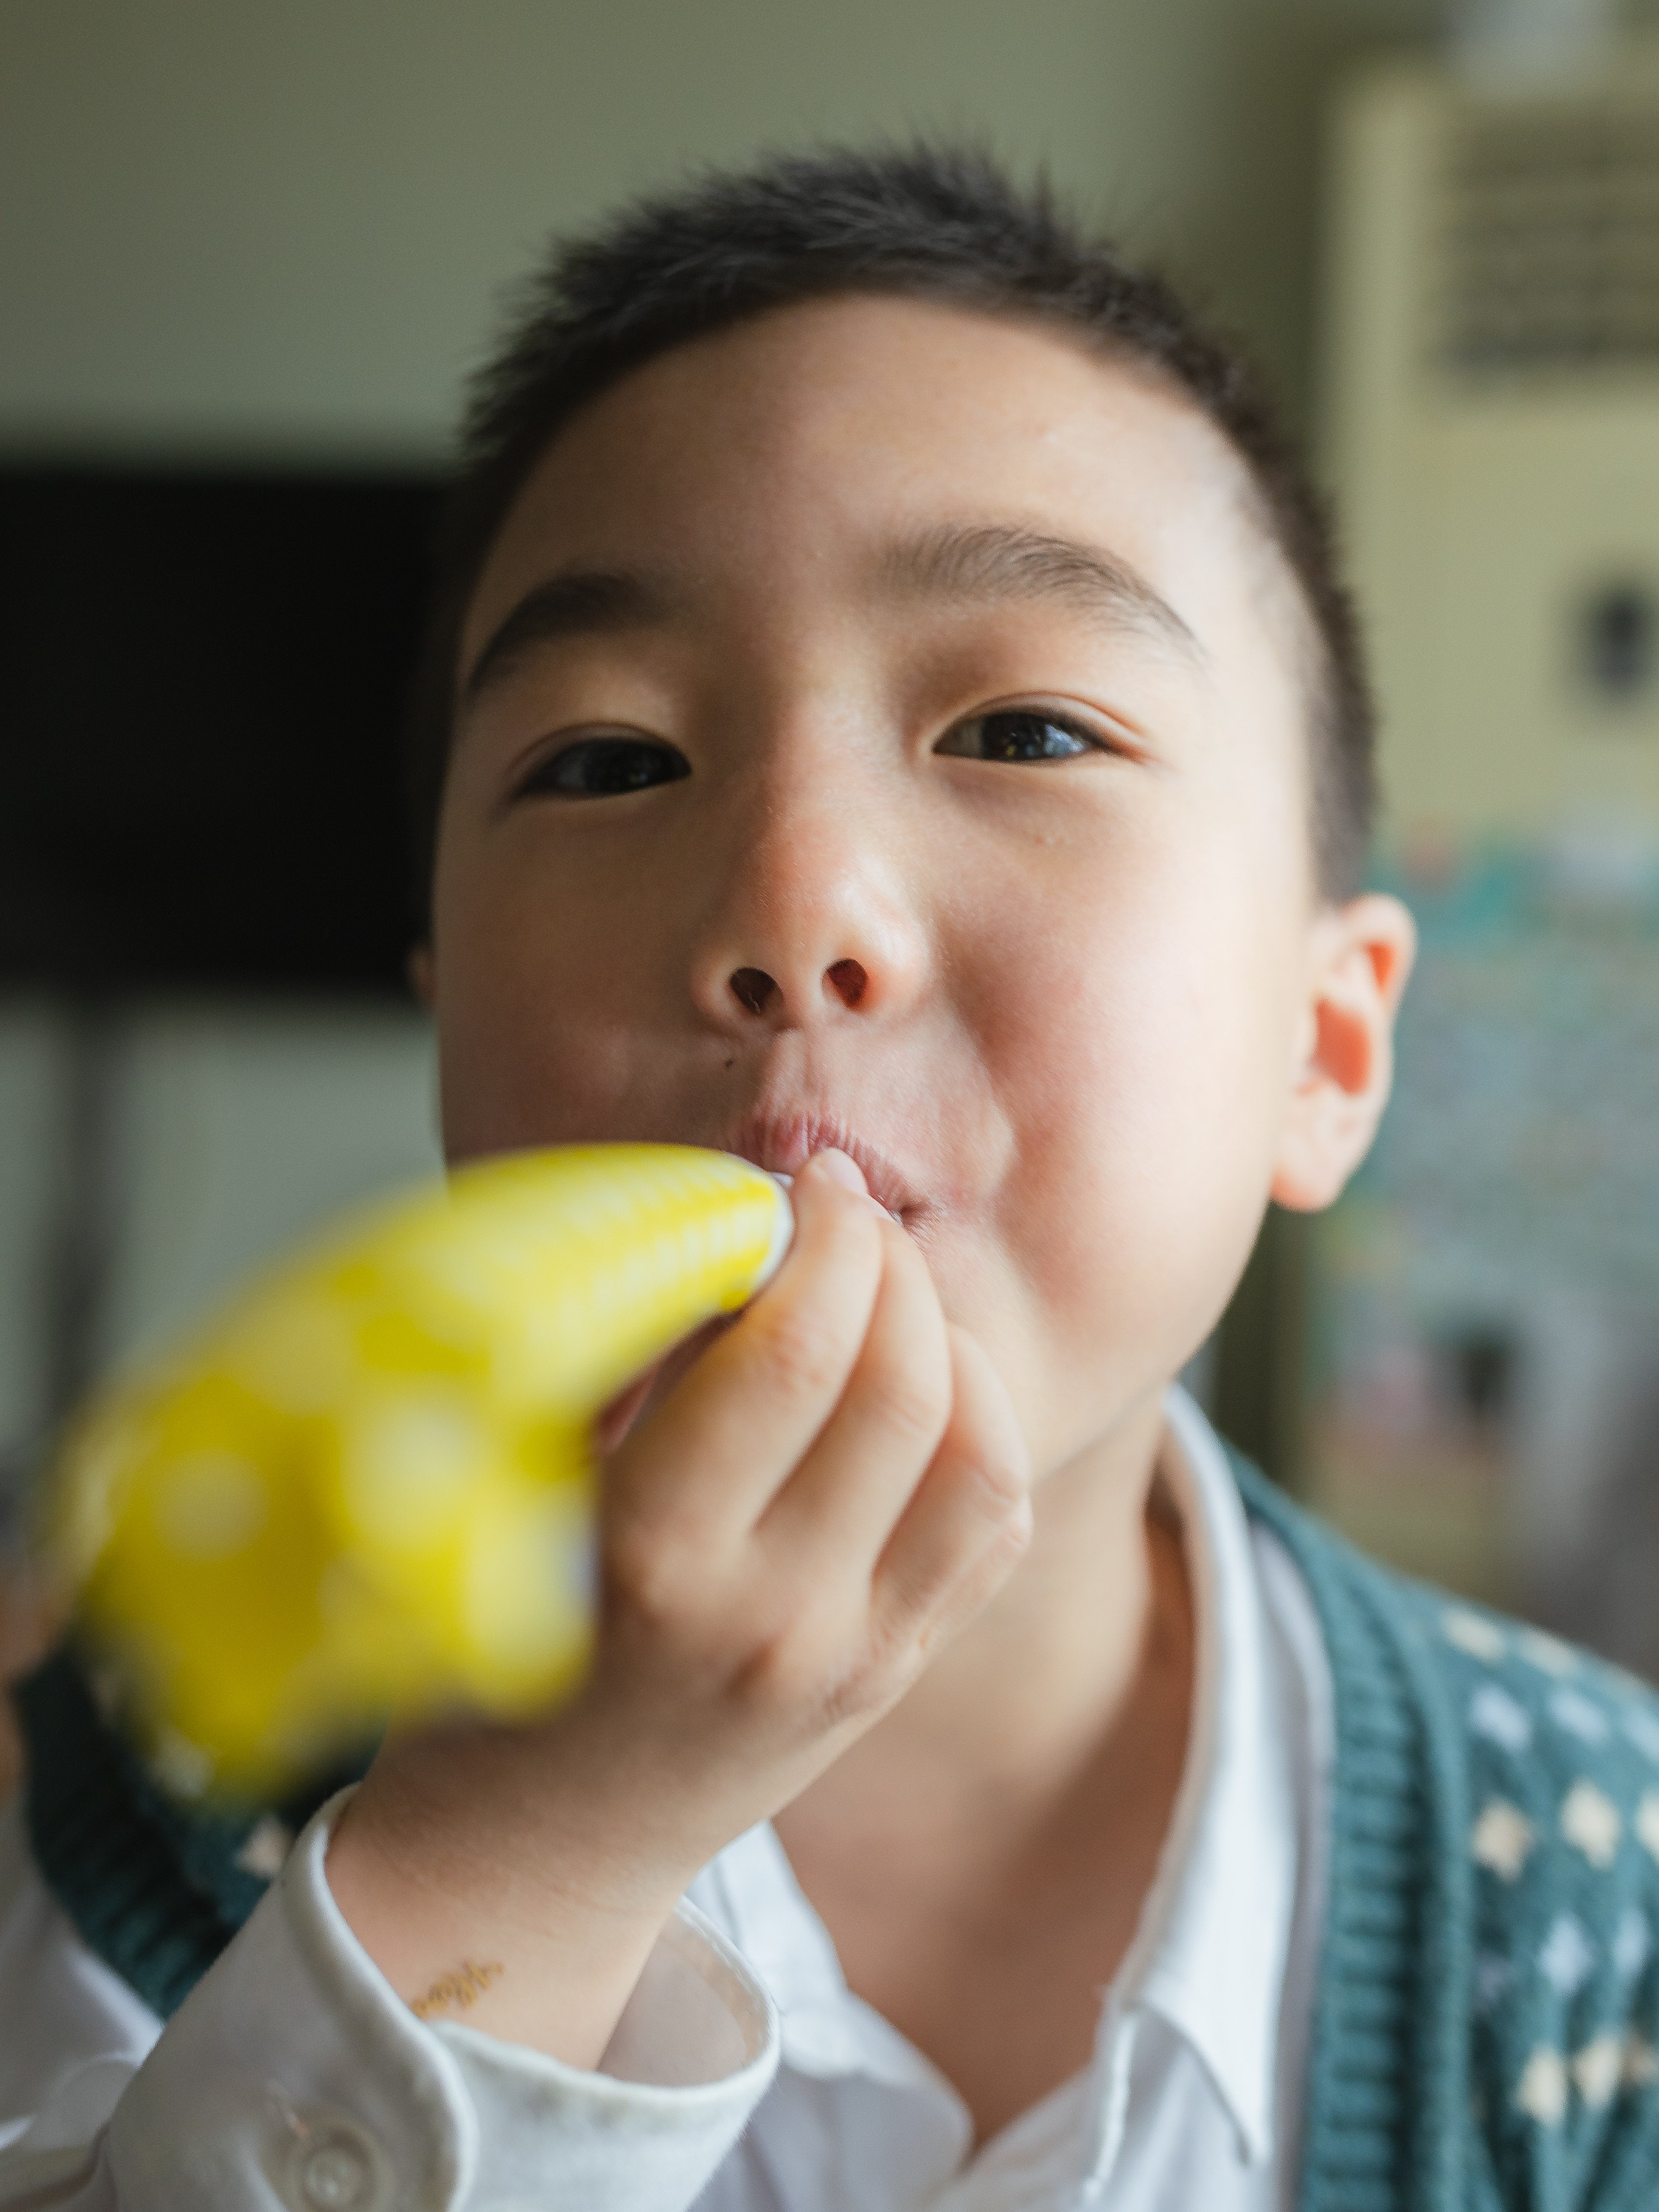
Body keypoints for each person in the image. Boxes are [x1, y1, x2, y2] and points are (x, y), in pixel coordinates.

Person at [4, 145, 1658, 2212]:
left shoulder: (1604, 1909)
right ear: (450, 1042)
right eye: (606, 761)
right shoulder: (163, 1771)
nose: (793, 903)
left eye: (1027, 733)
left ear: (1324, 1050)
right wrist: (508, 1863)